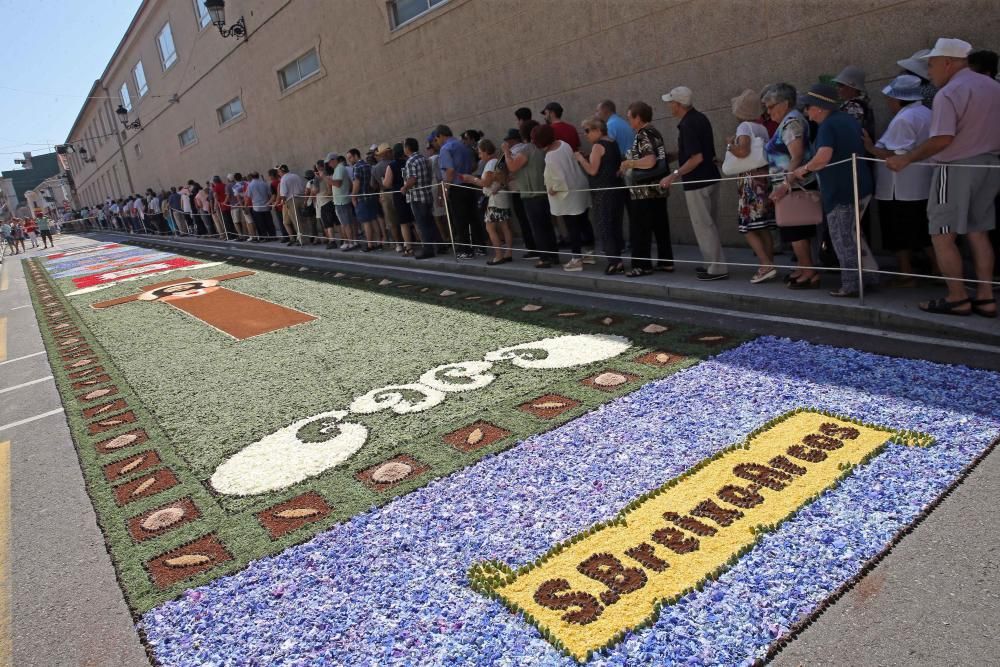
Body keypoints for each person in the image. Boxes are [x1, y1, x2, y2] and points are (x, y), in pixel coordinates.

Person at [887, 38, 1000, 317]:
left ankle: (957, 297)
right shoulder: (994, 87)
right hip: (989, 165)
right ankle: (985, 297)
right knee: (978, 232)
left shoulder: (950, 92)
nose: (929, 71)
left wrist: (906, 158)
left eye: (932, 64)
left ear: (948, 62)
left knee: (941, 234)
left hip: (956, 167)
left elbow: (941, 139)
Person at [791, 83, 878, 297]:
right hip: (860, 185)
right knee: (855, 235)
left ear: (819, 107)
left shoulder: (828, 126)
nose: (807, 113)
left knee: (843, 238)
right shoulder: (848, 120)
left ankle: (851, 285)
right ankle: (870, 277)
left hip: (841, 190)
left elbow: (823, 158)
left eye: (808, 107)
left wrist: (801, 170)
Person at [863, 74, 936, 287]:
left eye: (890, 98)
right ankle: (938, 269)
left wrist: (869, 147)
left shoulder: (905, 118)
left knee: (899, 233)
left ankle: (906, 274)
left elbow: (894, 155)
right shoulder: (926, 113)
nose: (888, 102)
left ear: (899, 99)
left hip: (899, 187)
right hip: (921, 184)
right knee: (924, 231)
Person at [659, 86, 728, 280]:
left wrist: (673, 175)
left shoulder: (687, 124)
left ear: (679, 104)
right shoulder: (701, 118)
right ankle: (711, 264)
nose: (669, 106)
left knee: (704, 226)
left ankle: (716, 268)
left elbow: (696, 158)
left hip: (697, 182)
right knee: (710, 224)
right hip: (710, 177)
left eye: (671, 102)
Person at [763, 83, 820, 290]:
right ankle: (803, 267)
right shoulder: (789, 121)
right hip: (790, 185)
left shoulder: (792, 122)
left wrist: (786, 184)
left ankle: (809, 272)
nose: (768, 112)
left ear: (785, 103)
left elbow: (796, 156)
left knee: (797, 232)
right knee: (793, 232)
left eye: (771, 107)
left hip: (794, 186)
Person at [726, 89, 777, 283]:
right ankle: (769, 263)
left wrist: (730, 145)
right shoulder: (761, 127)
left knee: (747, 226)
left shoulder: (744, 127)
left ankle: (765, 264)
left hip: (749, 182)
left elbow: (743, 151)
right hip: (763, 180)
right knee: (763, 226)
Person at [620, 101, 673, 277]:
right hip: (658, 188)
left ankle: (641, 265)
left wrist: (629, 163)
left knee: (640, 229)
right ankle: (666, 262)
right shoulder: (655, 132)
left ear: (638, 117)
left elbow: (649, 160)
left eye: (630, 118)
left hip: (643, 190)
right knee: (660, 225)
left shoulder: (642, 134)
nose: (629, 122)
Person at [534, 124, 590, 271]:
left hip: (567, 195)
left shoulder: (550, 156)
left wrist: (552, 189)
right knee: (583, 221)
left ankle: (576, 259)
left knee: (572, 227)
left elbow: (559, 180)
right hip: (579, 186)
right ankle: (590, 253)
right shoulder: (563, 144)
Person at [576, 117, 626, 274]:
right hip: (616, 189)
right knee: (615, 225)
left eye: (587, 131)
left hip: (603, 192)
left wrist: (580, 159)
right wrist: (587, 158)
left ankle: (614, 262)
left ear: (598, 130)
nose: (585, 135)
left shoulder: (598, 146)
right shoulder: (612, 142)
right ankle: (617, 260)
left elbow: (592, 170)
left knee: (605, 226)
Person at [507, 120, 558, 267]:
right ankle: (553, 255)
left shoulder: (527, 150)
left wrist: (505, 152)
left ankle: (545, 258)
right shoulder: (542, 148)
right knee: (547, 225)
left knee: (538, 227)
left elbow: (512, 167)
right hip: (544, 191)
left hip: (531, 194)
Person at [463, 139, 513, 265]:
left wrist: (471, 179)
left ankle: (498, 255)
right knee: (505, 226)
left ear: (486, 151)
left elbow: (485, 183)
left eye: (480, 153)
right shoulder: (497, 161)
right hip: (502, 197)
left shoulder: (490, 163)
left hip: (494, 200)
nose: (479, 156)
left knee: (490, 227)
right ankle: (508, 253)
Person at [435, 125, 481, 258]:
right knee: (473, 217)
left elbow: (449, 170)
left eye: (437, 139)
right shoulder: (463, 146)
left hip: (456, 186)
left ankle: (466, 250)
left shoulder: (446, 148)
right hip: (469, 183)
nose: (437, 142)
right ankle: (481, 246)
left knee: (460, 219)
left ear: (441, 136)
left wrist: (445, 189)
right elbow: (474, 165)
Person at [499, 128, 539, 259]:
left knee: (524, 220)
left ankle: (532, 248)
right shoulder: (529, 148)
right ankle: (538, 247)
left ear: (512, 140)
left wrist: (505, 152)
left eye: (508, 140)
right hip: (530, 187)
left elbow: (507, 168)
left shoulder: (514, 151)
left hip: (518, 189)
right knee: (532, 219)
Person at [401, 136, 441, 259]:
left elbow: (412, 179)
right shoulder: (424, 158)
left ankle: (428, 249)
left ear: (407, 148)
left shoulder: (411, 161)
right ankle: (440, 245)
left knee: (422, 224)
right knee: (430, 221)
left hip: (417, 196)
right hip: (427, 194)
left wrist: (405, 188)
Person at [385, 143, 417, 256]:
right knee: (415, 220)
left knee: (404, 223)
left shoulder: (392, 165)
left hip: (399, 195)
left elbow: (387, 183)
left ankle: (409, 247)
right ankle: (425, 244)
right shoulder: (409, 161)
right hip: (412, 192)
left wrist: (383, 180)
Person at [347, 149, 379, 251]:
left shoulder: (356, 167)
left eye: (350, 157)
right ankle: (379, 242)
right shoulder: (368, 165)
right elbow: (373, 183)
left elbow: (356, 184)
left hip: (361, 198)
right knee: (374, 220)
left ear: (356, 155)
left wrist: (353, 197)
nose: (349, 160)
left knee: (366, 222)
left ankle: (370, 244)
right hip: (371, 196)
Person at [832, 65, 876, 139]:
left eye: (841, 85)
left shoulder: (854, 106)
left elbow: (848, 133)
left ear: (852, 87)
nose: (837, 88)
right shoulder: (861, 103)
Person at [330, 154, 357, 250]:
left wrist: (326, 178)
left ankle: (350, 242)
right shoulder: (340, 169)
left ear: (333, 160)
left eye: (329, 162)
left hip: (341, 201)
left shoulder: (339, 168)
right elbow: (350, 183)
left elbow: (338, 183)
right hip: (343, 199)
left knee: (346, 223)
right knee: (348, 222)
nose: (329, 165)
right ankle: (352, 241)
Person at [277, 164, 305, 245]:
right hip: (301, 198)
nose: (278, 173)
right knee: (302, 220)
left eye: (279, 171)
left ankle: (301, 240)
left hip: (291, 200)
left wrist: (283, 202)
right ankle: (304, 238)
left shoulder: (284, 179)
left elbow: (283, 194)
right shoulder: (295, 176)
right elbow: (302, 187)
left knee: (296, 221)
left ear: (281, 171)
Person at [247, 171, 272, 241]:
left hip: (257, 207)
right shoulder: (264, 183)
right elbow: (269, 194)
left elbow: (249, 196)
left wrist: (246, 206)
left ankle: (264, 236)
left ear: (252, 177)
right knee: (269, 222)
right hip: (266, 205)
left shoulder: (250, 185)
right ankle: (272, 235)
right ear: (258, 176)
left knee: (260, 223)